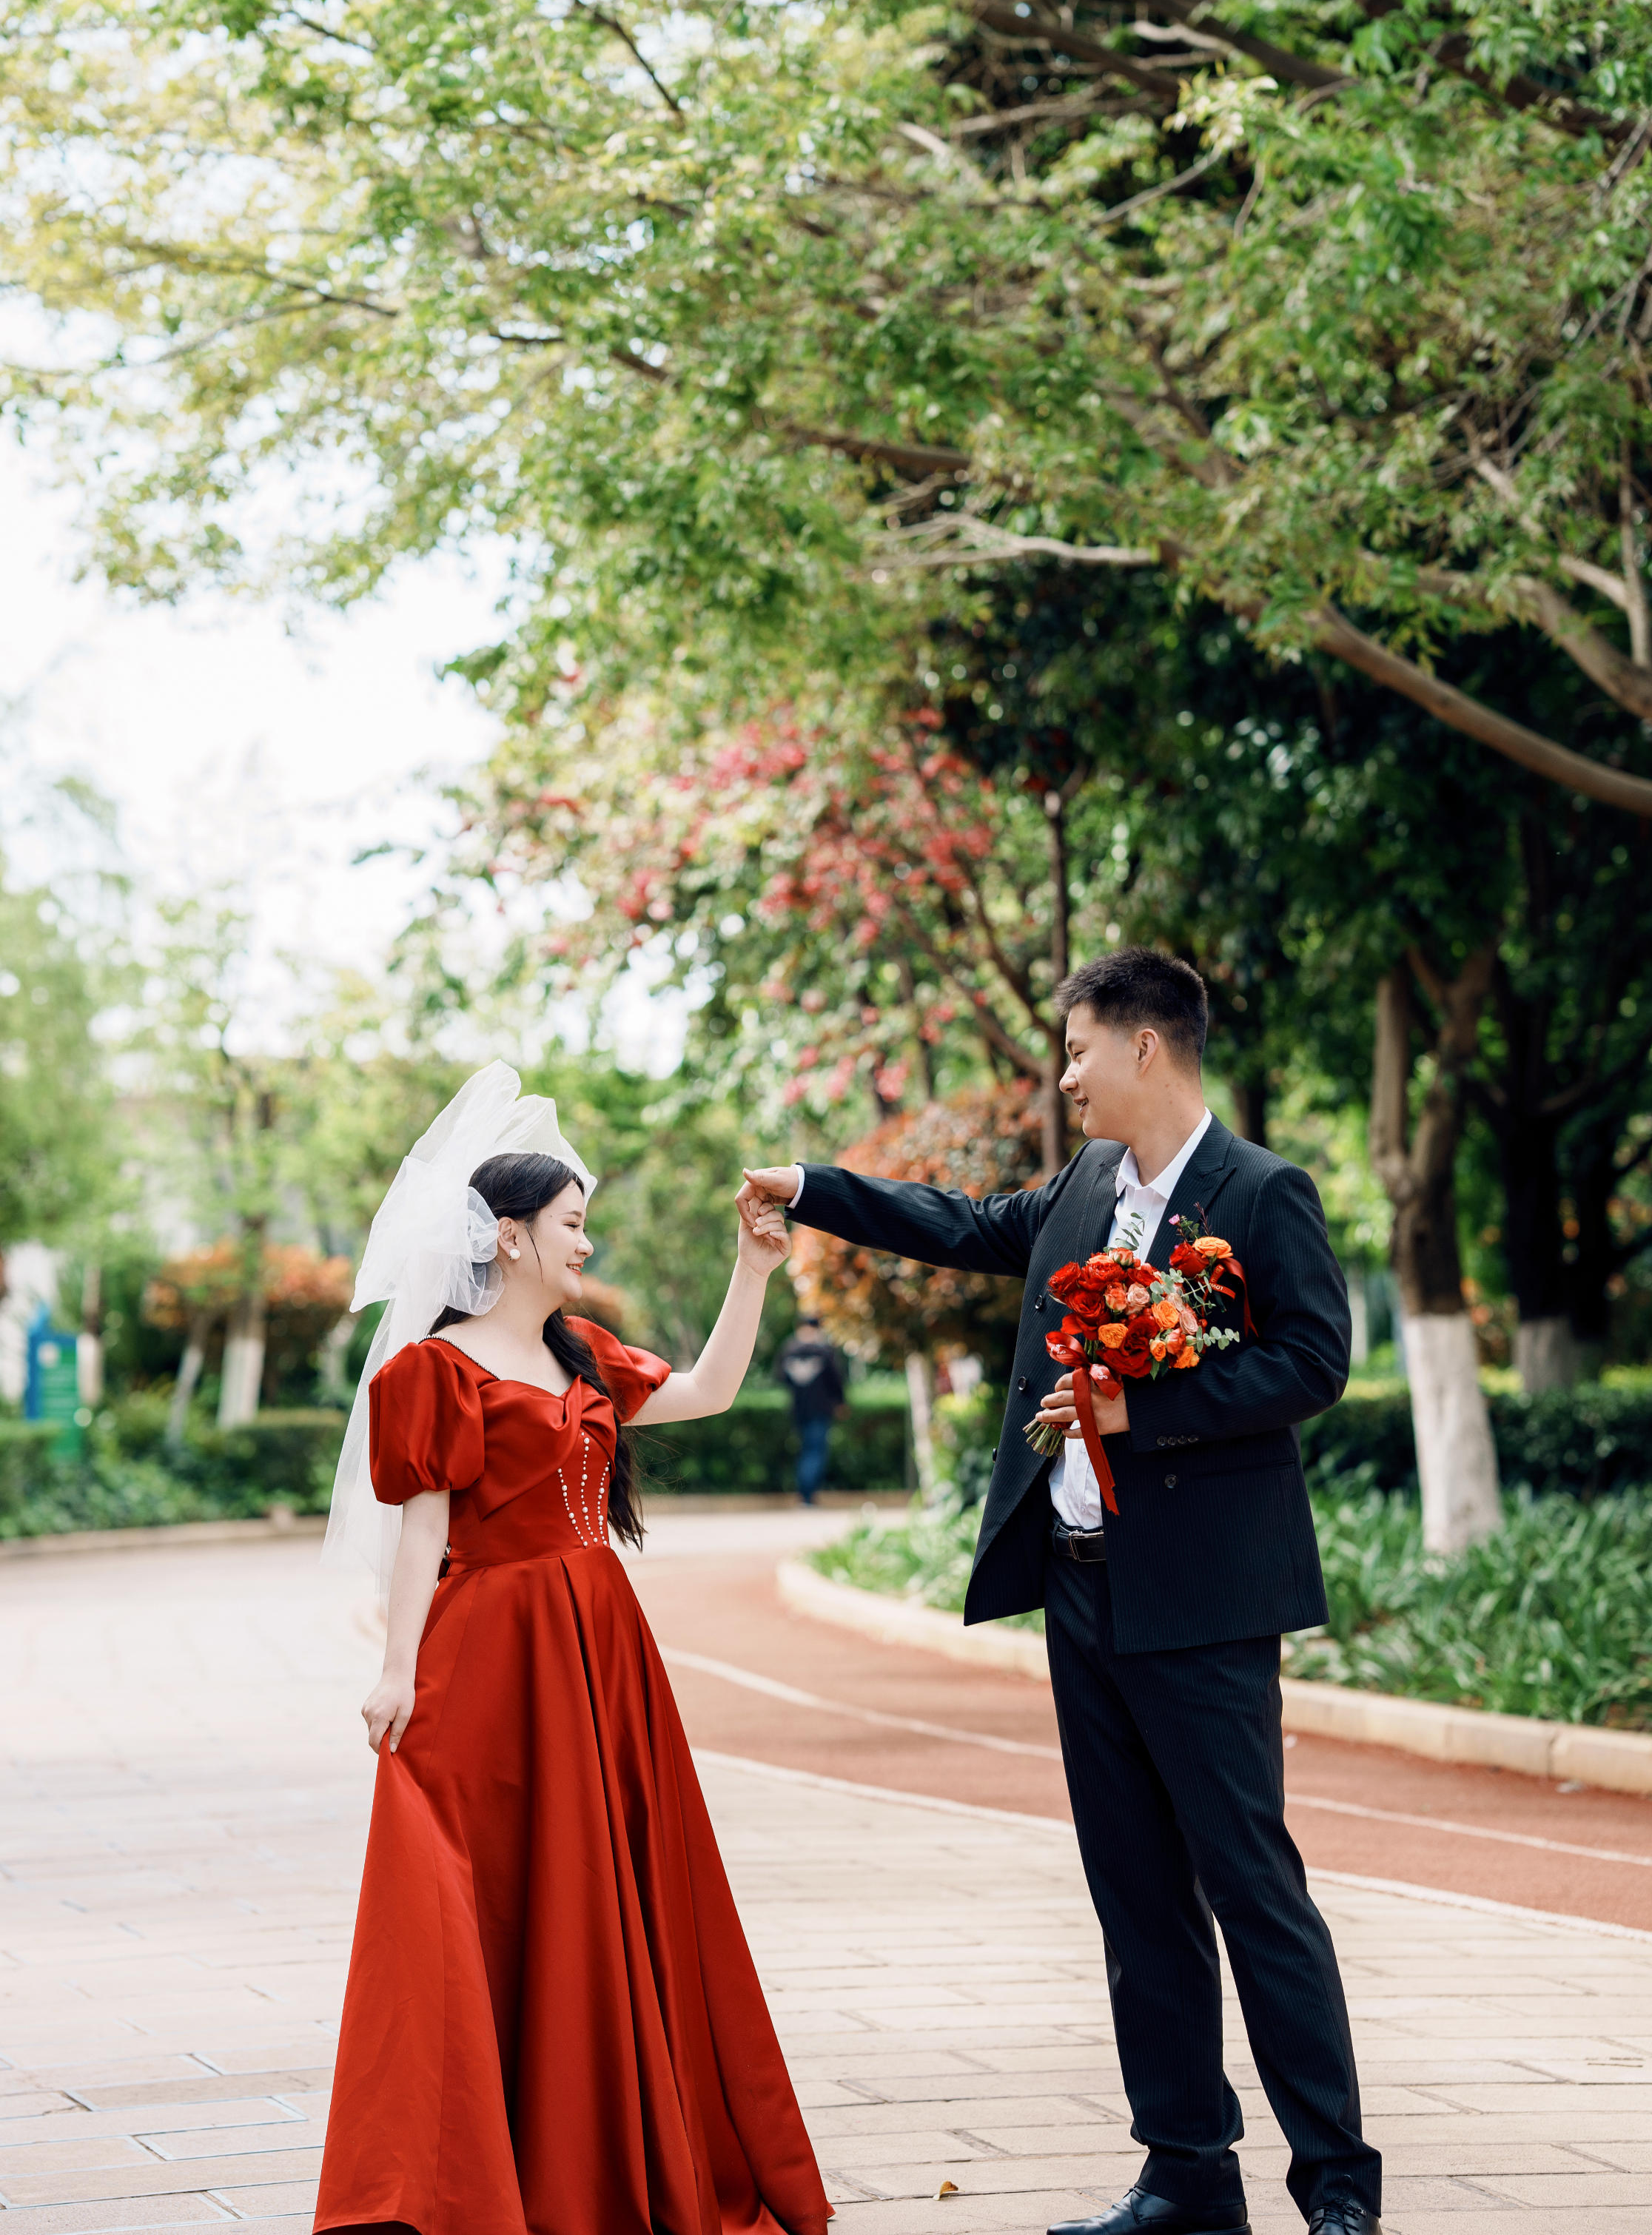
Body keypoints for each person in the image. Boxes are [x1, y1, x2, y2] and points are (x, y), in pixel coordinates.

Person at [739, 950, 1381, 2235]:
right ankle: (1187, 2174)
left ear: (1148, 1045)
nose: (1068, 1076)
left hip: (1205, 1599)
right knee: (1136, 1897)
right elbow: (968, 1224)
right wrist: (809, 1189)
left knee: (1254, 1892)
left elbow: (1314, 1361)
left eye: (1080, 1049)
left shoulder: (1263, 1191)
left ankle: (1338, 2191)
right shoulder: (1086, 1183)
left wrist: (1147, 1407)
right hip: (1082, 1588)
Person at [315, 1065, 829, 2235]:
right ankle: (479, 2172)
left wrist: (752, 1271)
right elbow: (424, 1530)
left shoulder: (585, 1352)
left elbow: (708, 1389)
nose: (585, 1242)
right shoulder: (431, 1371)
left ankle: (606, 2154)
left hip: (603, 1646)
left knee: (614, 1887)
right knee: (501, 1890)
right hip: (493, 1652)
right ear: (509, 1236)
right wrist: (396, 1670)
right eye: (571, 1222)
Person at [774, 1314, 849, 1505]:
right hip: (821, 1409)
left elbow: (780, 1378)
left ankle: (803, 1494)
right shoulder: (824, 1351)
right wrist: (840, 1402)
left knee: (805, 1450)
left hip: (798, 1409)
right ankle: (808, 1495)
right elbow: (836, 1380)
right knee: (815, 1451)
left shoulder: (789, 1349)